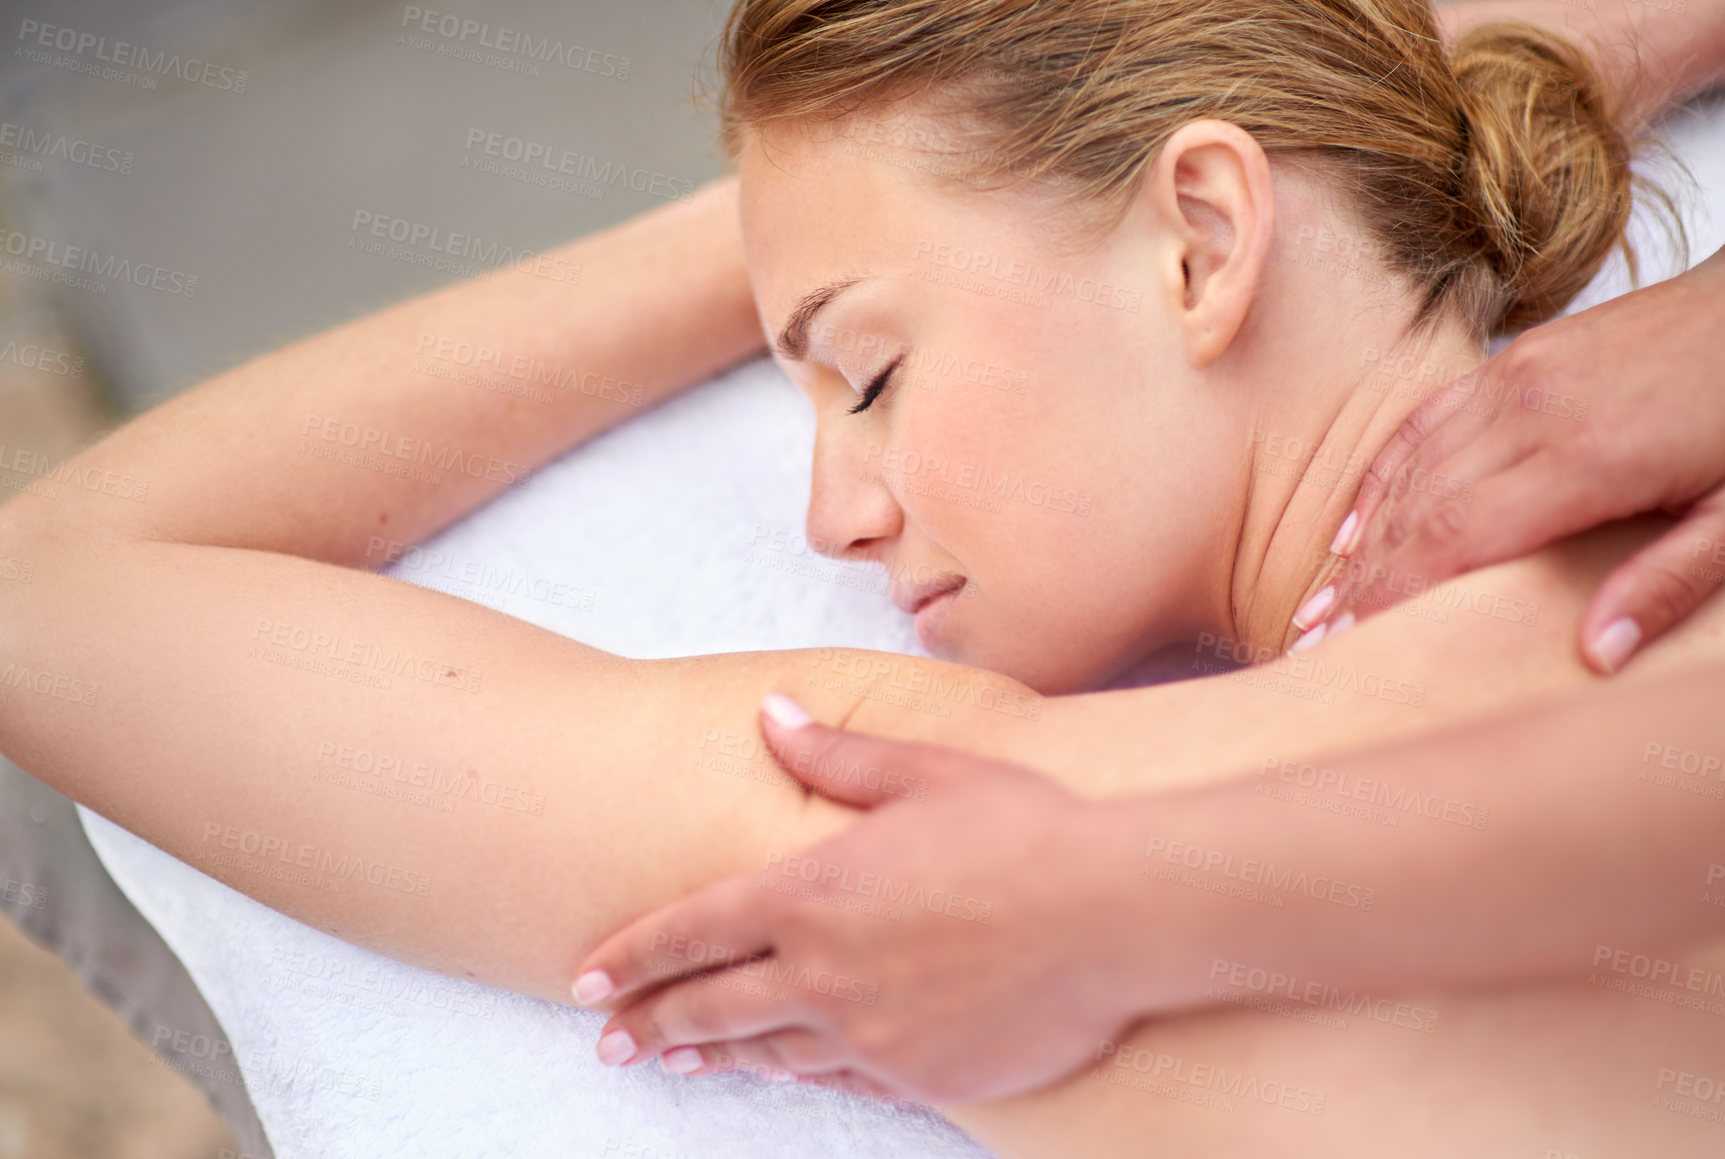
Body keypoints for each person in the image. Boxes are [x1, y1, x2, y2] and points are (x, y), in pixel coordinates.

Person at [2, 0, 1723, 1153]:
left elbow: (68, 590)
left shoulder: (979, 857)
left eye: (869, 373)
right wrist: (830, 215)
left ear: (1204, 239)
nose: (829, 512)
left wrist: (743, 237)